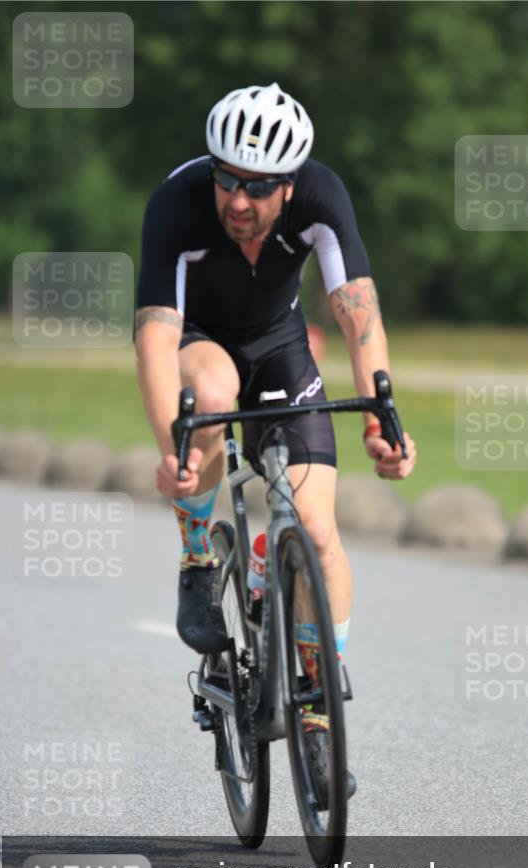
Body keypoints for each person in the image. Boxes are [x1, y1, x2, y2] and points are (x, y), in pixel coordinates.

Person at [134, 83, 417, 798]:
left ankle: (318, 715)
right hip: (198, 344)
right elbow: (155, 335)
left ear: (289, 187)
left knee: (319, 534)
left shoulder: (323, 196)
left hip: (281, 347)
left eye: (257, 187)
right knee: (215, 395)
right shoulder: (178, 201)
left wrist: (383, 417)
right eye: (227, 177)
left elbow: (359, 315)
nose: (236, 200)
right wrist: (175, 445)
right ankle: (200, 553)